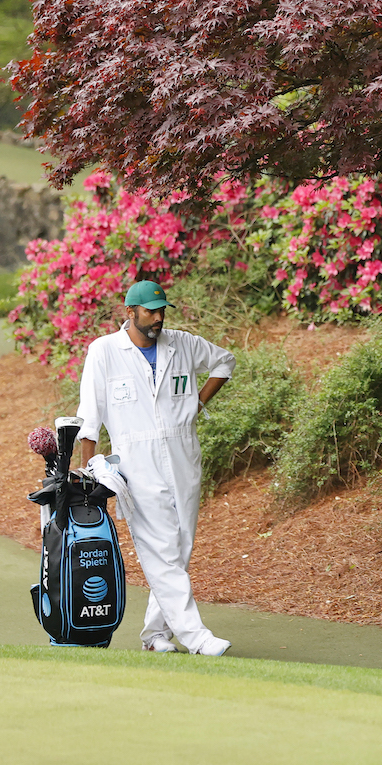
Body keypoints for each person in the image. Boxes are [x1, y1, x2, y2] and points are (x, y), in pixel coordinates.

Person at [77, 280, 236, 656]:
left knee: (180, 545)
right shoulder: (104, 352)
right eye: (149, 311)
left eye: (161, 310)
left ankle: (154, 634)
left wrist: (197, 403)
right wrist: (88, 470)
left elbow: (224, 361)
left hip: (184, 454)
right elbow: (90, 415)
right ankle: (195, 636)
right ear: (129, 311)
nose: (158, 317)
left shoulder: (183, 344)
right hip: (135, 463)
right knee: (161, 549)